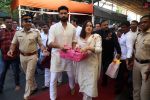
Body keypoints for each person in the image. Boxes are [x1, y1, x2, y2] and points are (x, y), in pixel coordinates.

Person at [7, 15, 48, 100]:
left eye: (30, 21)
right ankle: (34, 86)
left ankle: (27, 95)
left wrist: (44, 50)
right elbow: (13, 44)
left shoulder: (36, 32)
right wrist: (11, 50)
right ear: (22, 22)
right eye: (26, 21)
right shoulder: (18, 33)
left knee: (28, 76)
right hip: (22, 57)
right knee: (28, 74)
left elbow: (40, 44)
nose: (28, 23)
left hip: (33, 56)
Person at [48, 6, 76, 100]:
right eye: (61, 13)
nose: (63, 15)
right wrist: (60, 47)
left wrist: (74, 49)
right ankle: (53, 97)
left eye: (65, 13)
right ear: (58, 14)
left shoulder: (72, 27)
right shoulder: (53, 27)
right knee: (53, 79)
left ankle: (72, 87)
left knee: (71, 75)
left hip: (69, 56)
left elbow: (74, 41)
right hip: (57, 57)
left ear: (68, 14)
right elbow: (50, 43)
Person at [75, 20, 102, 100]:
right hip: (82, 64)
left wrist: (88, 48)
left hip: (92, 64)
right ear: (84, 27)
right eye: (87, 26)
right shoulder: (79, 38)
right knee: (82, 82)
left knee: (90, 85)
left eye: (90, 26)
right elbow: (77, 47)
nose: (89, 27)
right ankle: (85, 97)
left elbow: (99, 49)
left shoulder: (96, 36)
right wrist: (77, 48)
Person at [96, 20, 121, 86]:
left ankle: (104, 81)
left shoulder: (112, 33)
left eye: (107, 24)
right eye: (104, 25)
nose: (106, 26)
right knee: (97, 67)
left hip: (109, 54)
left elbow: (116, 43)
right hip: (99, 54)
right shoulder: (97, 32)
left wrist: (119, 52)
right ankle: (96, 79)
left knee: (106, 68)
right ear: (101, 26)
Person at [0, 17, 20, 93]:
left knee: (16, 72)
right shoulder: (1, 32)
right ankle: (0, 87)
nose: (9, 23)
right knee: (2, 73)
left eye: (10, 22)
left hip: (15, 57)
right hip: (4, 57)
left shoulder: (16, 32)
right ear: (4, 23)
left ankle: (17, 84)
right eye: (7, 22)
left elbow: (19, 44)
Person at [133, 14, 150, 100]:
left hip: (147, 66)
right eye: (141, 22)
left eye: (145, 22)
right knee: (136, 88)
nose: (142, 24)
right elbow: (135, 50)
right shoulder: (139, 35)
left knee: (145, 92)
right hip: (136, 64)